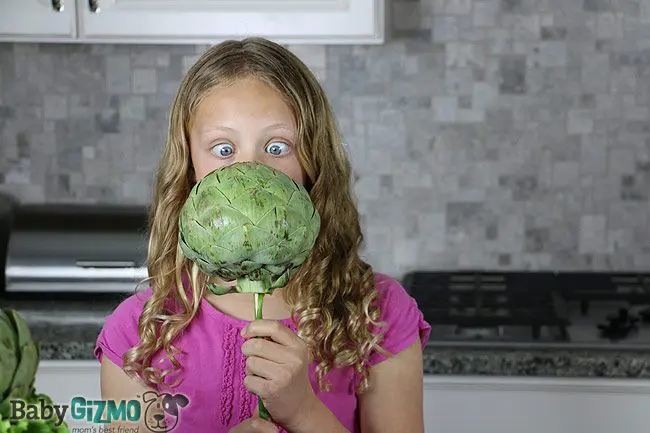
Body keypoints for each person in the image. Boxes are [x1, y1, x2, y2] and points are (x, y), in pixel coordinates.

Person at [95, 37, 431, 433]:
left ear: (313, 163)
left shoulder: (378, 315)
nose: (250, 172)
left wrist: (303, 411)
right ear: (189, 170)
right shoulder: (138, 336)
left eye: (277, 146)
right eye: (223, 150)